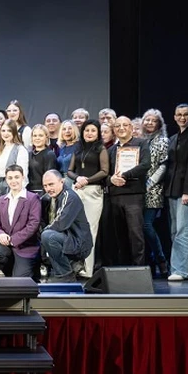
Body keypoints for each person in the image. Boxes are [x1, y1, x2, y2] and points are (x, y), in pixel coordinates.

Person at [164, 103, 188, 281]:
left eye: (186, 114)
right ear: (174, 117)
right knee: (175, 231)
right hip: (172, 189)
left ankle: (180, 270)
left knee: (183, 230)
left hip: (185, 190)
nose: (182, 117)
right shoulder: (172, 138)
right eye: (179, 114)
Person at [67, 119, 109, 277]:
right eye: (86, 130)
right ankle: (75, 266)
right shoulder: (78, 148)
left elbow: (104, 171)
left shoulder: (101, 149)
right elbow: (70, 170)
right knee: (74, 228)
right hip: (77, 190)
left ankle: (88, 268)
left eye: (93, 130)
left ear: (98, 133)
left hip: (93, 192)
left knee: (91, 229)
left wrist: (87, 180)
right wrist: (78, 178)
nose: (89, 133)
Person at [107, 116, 151, 266]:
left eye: (125, 125)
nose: (121, 128)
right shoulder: (111, 150)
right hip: (115, 196)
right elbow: (105, 173)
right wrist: (111, 179)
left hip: (134, 196)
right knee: (120, 236)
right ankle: (124, 270)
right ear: (114, 130)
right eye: (117, 126)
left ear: (131, 128)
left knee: (136, 234)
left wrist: (125, 175)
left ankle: (139, 269)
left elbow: (146, 165)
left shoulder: (141, 144)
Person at [0, 165, 41, 278]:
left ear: (23, 177)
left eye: (16, 177)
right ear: (6, 180)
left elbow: (33, 225)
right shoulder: (2, 200)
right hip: (7, 247)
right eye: (10, 178)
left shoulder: (32, 198)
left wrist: (12, 240)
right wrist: (0, 234)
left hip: (25, 248)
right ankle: (11, 273)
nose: (13, 181)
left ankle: (27, 272)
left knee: (20, 280)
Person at [40, 170, 92, 282]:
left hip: (79, 243)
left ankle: (66, 276)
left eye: (51, 184)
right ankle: (69, 268)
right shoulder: (46, 199)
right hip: (65, 239)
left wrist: (43, 233)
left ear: (62, 182)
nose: (48, 188)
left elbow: (60, 224)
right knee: (45, 235)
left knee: (47, 236)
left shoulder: (70, 197)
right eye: (45, 186)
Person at [140, 109, 170, 277]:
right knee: (140, 228)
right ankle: (150, 263)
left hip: (154, 189)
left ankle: (161, 259)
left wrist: (150, 182)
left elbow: (164, 165)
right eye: (147, 120)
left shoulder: (163, 141)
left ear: (159, 124)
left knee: (147, 225)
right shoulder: (141, 140)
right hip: (138, 190)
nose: (149, 123)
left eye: (153, 120)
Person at [28, 125, 58, 196]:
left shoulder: (49, 154)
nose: (37, 138)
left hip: (42, 193)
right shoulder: (29, 154)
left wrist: (44, 194)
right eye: (35, 136)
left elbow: (49, 177)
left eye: (40, 135)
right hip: (28, 192)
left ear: (46, 138)